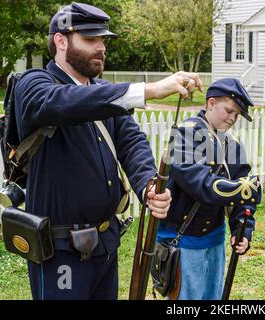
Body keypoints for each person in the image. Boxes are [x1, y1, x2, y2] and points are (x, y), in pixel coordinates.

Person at [14, 2, 203, 300]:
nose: (101, 47)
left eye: (102, 39)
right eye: (90, 39)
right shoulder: (34, 83)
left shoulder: (103, 95)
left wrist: (148, 187)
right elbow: (63, 102)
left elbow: (131, 142)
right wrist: (149, 90)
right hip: (59, 250)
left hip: (105, 241)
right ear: (61, 41)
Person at [155, 78, 262, 300]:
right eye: (229, 111)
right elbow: (199, 183)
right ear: (211, 104)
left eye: (236, 115)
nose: (232, 119)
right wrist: (243, 189)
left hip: (214, 238)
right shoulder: (184, 134)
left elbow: (242, 200)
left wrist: (243, 229)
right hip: (183, 240)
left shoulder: (231, 145)